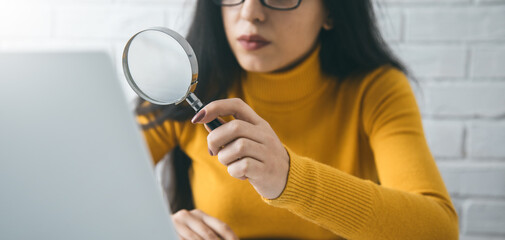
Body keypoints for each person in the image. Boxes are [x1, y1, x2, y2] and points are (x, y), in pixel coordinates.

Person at [136, 0, 459, 239]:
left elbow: (438, 230)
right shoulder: (184, 87)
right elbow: (90, 193)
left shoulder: (375, 89)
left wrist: (288, 178)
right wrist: (159, 229)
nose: (249, 12)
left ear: (332, 11)